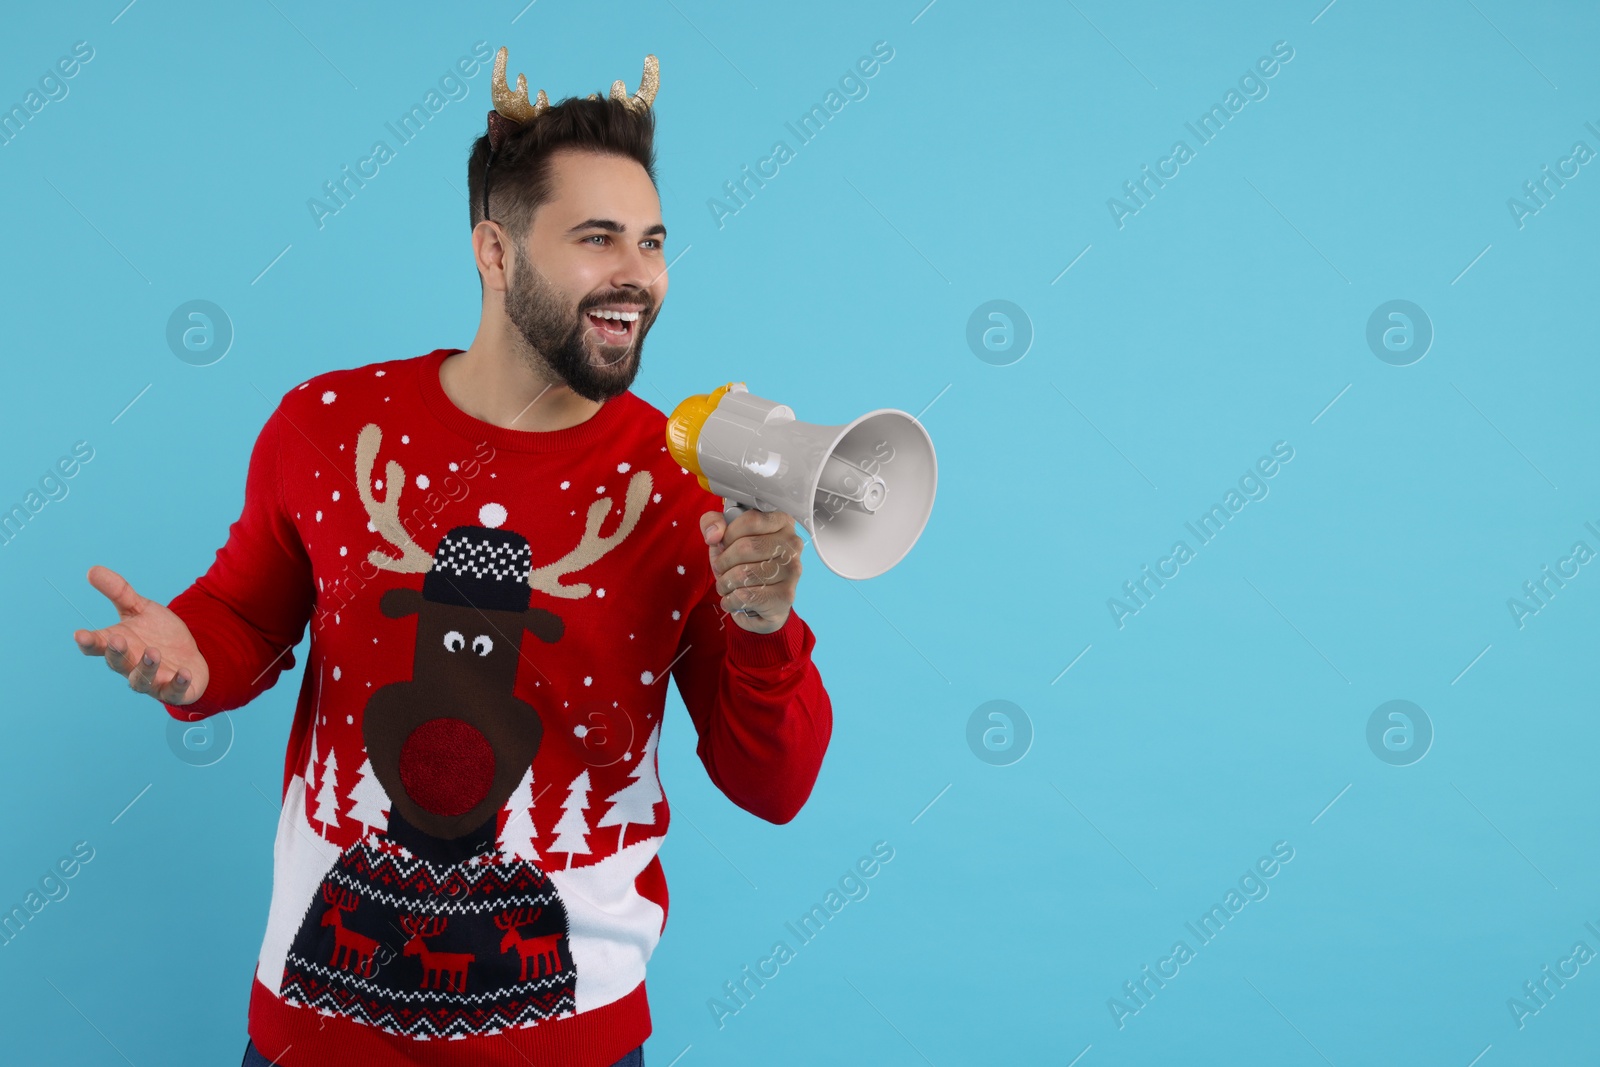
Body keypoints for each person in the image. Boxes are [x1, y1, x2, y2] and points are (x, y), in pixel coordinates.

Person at [71, 47, 833, 1067]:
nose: (637, 276)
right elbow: (246, 621)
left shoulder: (681, 484)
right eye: (596, 237)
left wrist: (765, 626)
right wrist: (186, 656)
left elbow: (772, 784)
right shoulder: (327, 425)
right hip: (315, 1035)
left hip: (575, 1042)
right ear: (495, 249)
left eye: (651, 242)